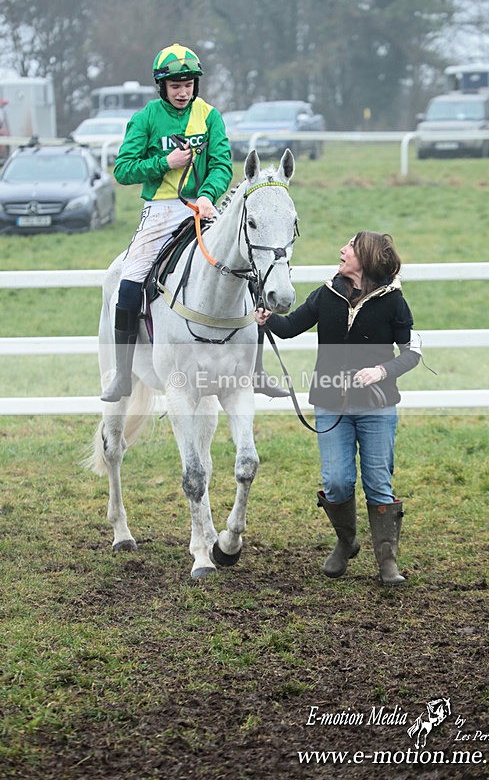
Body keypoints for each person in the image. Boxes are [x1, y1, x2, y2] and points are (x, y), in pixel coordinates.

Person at [101, 42, 286, 402]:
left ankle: (257, 369)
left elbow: (220, 164)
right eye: (175, 86)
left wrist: (207, 196)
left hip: (202, 207)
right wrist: (164, 163)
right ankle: (124, 374)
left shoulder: (210, 116)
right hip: (160, 211)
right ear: (162, 87)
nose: (182, 91)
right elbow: (123, 169)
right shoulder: (146, 118)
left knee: (246, 274)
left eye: (188, 85)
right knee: (129, 282)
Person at [255, 230, 421, 584]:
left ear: (368, 258)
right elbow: (289, 328)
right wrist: (267, 318)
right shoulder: (325, 295)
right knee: (337, 481)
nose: (341, 250)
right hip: (330, 404)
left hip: (377, 406)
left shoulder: (393, 301)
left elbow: (411, 353)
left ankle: (387, 560)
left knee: (378, 481)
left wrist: (381, 370)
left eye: (350, 247)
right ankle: (346, 541)